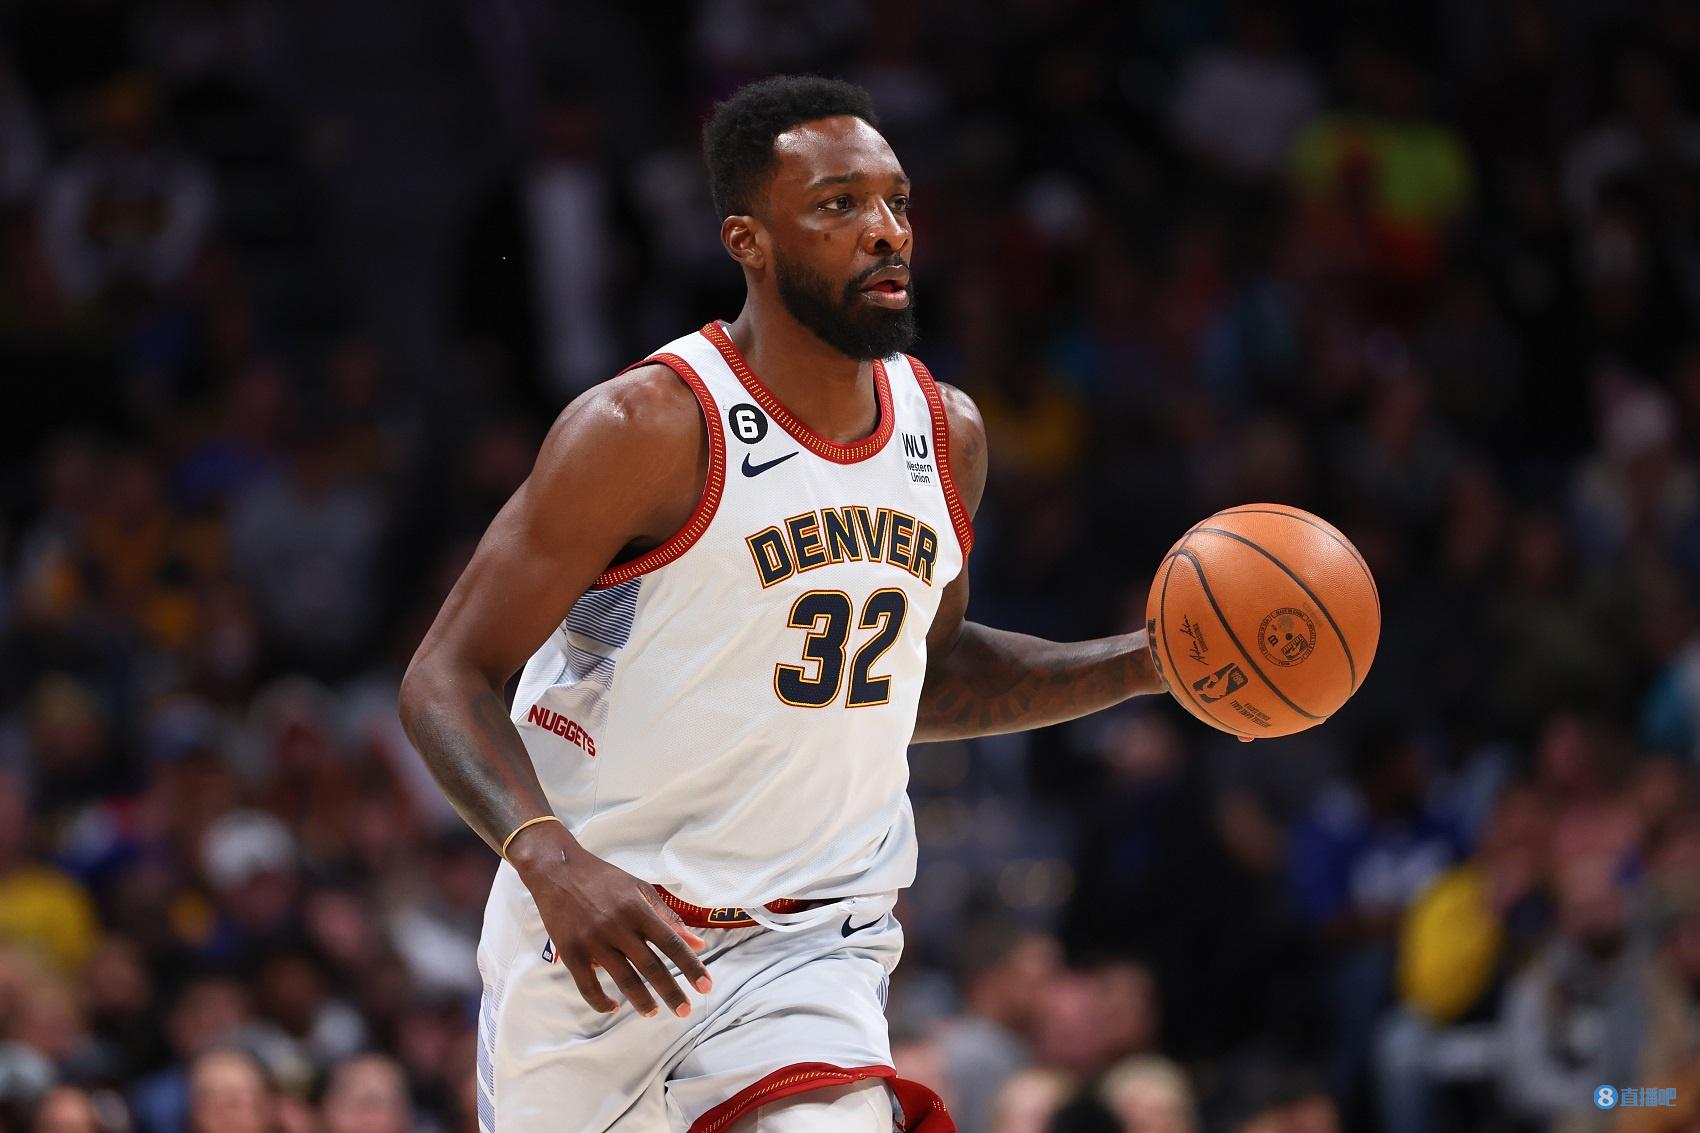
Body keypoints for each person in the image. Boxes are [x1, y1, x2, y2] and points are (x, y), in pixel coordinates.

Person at [399, 75, 1166, 1132]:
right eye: (839, 204)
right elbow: (445, 675)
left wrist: (1148, 662)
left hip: (809, 944)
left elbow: (922, 677)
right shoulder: (645, 427)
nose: (886, 231)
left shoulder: (944, 434)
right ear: (747, 241)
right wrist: (548, 855)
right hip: (601, 931)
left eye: (896, 201)